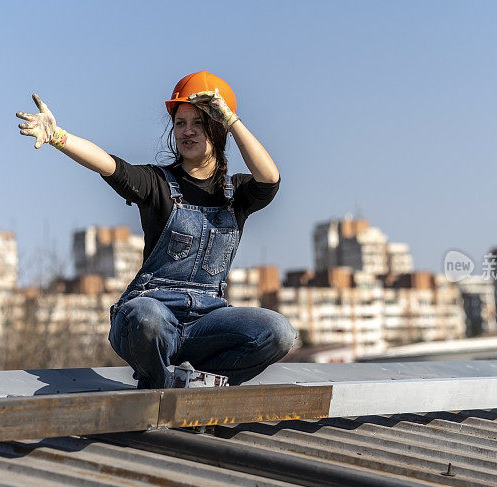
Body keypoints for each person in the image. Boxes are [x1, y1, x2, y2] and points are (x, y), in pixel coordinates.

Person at [16, 71, 297, 389]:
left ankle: (195, 386)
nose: (187, 132)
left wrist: (232, 121)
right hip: (150, 314)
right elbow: (110, 165)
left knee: (278, 331)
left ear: (219, 131)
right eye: (180, 123)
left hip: (206, 320)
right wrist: (58, 136)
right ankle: (161, 388)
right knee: (149, 318)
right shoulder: (157, 183)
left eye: (200, 123)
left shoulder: (237, 193)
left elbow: (269, 178)